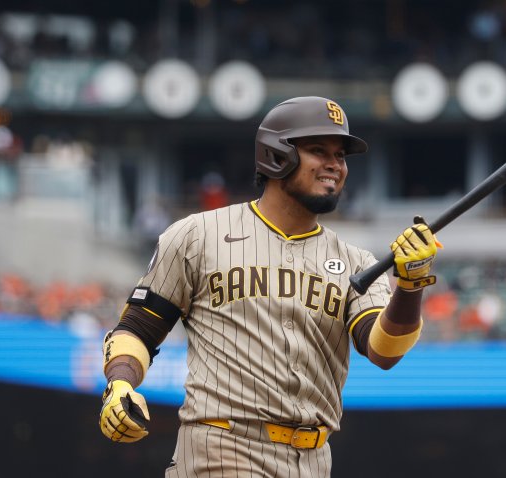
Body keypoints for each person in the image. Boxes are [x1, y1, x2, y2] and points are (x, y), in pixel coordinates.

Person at [98, 96, 441, 477]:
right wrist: (121, 384)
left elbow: (383, 351)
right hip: (222, 449)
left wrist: (411, 287)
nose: (335, 165)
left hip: (312, 460)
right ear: (277, 155)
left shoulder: (356, 261)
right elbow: (139, 328)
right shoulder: (197, 235)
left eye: (340, 155)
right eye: (317, 150)